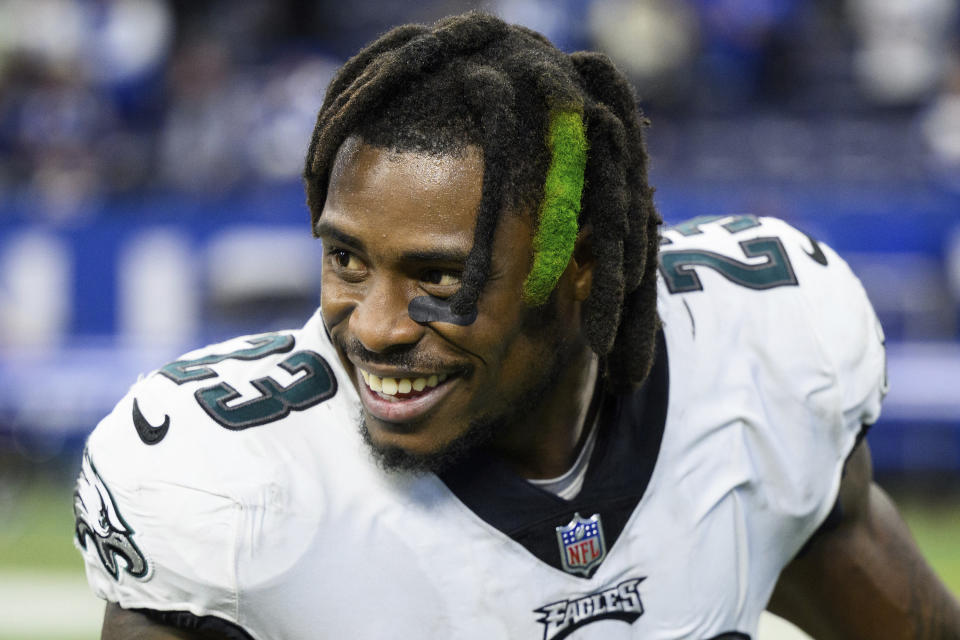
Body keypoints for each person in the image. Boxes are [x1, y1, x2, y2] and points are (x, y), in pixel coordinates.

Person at [74, 12, 960, 640]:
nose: (374, 329)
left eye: (439, 275)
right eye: (347, 260)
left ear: (578, 270)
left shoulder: (761, 358)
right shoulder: (227, 482)